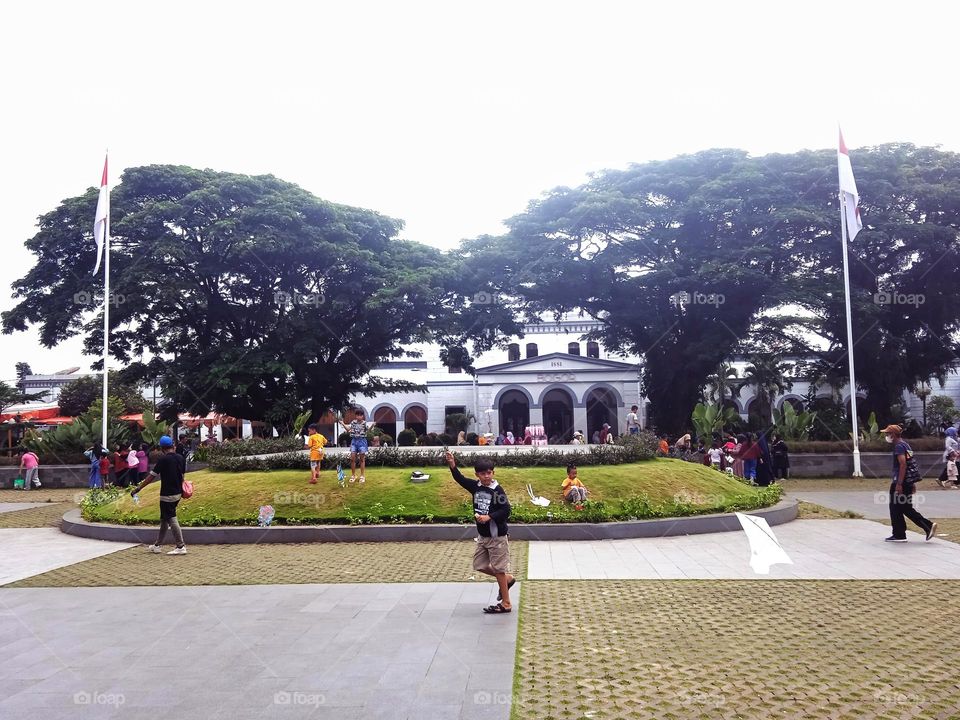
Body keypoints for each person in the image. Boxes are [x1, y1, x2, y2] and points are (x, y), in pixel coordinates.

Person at [444, 451, 514, 613]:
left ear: (493, 473)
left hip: (497, 536)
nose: (486, 476)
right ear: (477, 475)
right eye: (483, 474)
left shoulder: (497, 490)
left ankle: (506, 603)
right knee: (479, 565)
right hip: (483, 536)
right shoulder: (476, 487)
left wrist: (488, 517)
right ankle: (507, 579)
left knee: (499, 569)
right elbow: (460, 479)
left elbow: (506, 510)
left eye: (489, 473)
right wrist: (452, 464)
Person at [130, 435, 188, 555]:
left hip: (167, 494)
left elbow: (151, 477)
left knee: (171, 518)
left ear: (162, 448)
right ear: (173, 445)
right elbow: (182, 476)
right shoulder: (180, 458)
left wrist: (138, 488)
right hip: (177, 493)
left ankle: (180, 546)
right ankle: (157, 545)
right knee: (164, 520)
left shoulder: (163, 460)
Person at [882, 424, 936, 543]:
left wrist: (899, 484)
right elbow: (911, 465)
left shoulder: (899, 447)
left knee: (899, 508)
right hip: (907, 481)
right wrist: (911, 482)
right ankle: (899, 534)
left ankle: (926, 526)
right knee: (901, 508)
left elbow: (903, 464)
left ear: (893, 434)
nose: (886, 436)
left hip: (900, 482)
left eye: (887, 433)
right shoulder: (906, 445)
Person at [348, 410, 368, 483]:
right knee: (352, 458)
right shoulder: (353, 422)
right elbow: (348, 429)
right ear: (356, 416)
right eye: (357, 415)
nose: (359, 416)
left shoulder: (364, 423)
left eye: (361, 415)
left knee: (362, 459)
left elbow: (368, 430)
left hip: (362, 441)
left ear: (362, 416)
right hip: (354, 441)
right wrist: (343, 423)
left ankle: (362, 476)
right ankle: (353, 475)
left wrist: (372, 425)